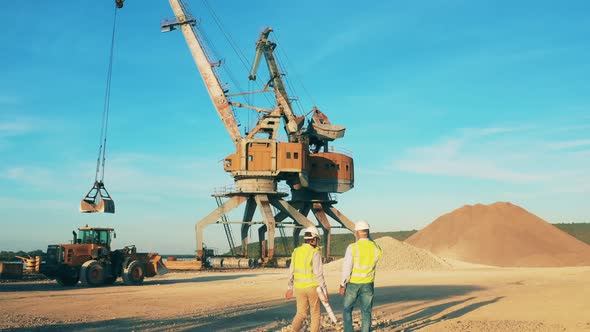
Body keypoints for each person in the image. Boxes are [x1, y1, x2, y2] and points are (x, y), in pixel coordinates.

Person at [340, 220, 382, 332]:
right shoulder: (376, 248)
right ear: (368, 232)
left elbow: (347, 268)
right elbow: (376, 249)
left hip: (353, 284)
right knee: (366, 311)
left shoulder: (352, 247)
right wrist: (369, 237)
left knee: (347, 309)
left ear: (356, 232)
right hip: (368, 284)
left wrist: (342, 284)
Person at [285, 226, 328, 332]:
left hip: (299, 288)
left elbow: (291, 271)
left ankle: (293, 330)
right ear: (313, 239)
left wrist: (289, 287)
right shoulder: (315, 252)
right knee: (315, 313)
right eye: (317, 239)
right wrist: (324, 291)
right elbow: (318, 274)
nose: (317, 242)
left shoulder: (296, 252)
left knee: (301, 313)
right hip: (312, 287)